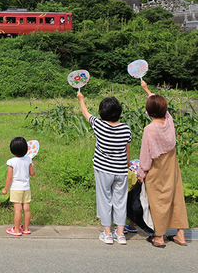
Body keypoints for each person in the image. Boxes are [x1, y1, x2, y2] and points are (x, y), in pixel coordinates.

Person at [137, 80, 188, 248]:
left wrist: (141, 174)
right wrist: (147, 90)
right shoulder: (169, 121)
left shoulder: (150, 129)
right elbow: (160, 106)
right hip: (172, 165)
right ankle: (181, 234)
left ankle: (159, 236)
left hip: (157, 168)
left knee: (158, 199)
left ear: (148, 111)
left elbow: (146, 157)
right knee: (175, 196)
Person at [77, 91, 131, 245]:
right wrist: (127, 165)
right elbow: (127, 152)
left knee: (104, 200)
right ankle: (120, 234)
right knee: (120, 201)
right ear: (119, 112)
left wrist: (81, 98)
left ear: (102, 112)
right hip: (121, 171)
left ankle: (108, 234)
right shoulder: (126, 129)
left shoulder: (99, 125)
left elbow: (86, 113)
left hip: (103, 170)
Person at [1, 137, 35, 236]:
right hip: (26, 188)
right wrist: (32, 165)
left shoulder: (11, 162)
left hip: (16, 189)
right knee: (27, 209)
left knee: (18, 210)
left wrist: (5, 189)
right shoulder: (28, 159)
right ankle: (26, 228)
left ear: (12, 149)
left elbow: (9, 177)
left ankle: (16, 230)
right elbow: (32, 173)